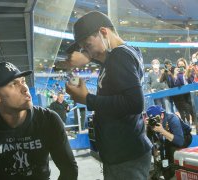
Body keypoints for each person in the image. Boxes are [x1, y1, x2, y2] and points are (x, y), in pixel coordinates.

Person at [65, 11, 152, 179]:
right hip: (124, 152)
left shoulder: (120, 55)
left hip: (126, 155)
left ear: (104, 32)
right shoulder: (125, 53)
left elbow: (135, 103)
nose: (88, 52)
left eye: (88, 45)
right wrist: (88, 58)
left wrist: (87, 99)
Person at [0, 62, 78, 180]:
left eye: (23, 81)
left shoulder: (49, 120)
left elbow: (69, 170)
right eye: (14, 84)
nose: (25, 88)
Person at [146, 105, 191, 179]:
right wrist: (147, 129)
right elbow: (150, 144)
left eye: (156, 118)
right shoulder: (151, 124)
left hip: (184, 137)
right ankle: (162, 170)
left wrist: (162, 131)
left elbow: (180, 141)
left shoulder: (172, 118)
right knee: (161, 150)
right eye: (151, 119)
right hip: (167, 138)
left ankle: (175, 172)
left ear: (162, 115)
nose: (154, 121)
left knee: (171, 150)